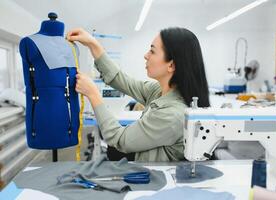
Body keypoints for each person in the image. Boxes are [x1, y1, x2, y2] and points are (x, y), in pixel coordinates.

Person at [66, 27, 210, 162]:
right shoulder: (159, 91)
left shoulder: (172, 114)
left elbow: (119, 140)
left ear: (171, 65)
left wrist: (93, 94)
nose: (146, 55)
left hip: (156, 184)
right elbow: (122, 81)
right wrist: (93, 44)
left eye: (152, 51)